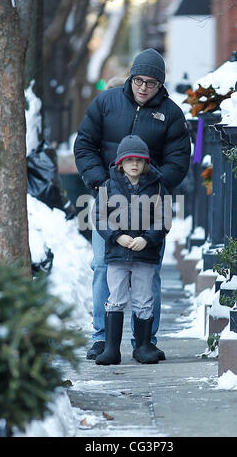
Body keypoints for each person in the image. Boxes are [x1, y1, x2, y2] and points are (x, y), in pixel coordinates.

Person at [74, 48, 191, 360]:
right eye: (138, 80)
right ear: (131, 78)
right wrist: (101, 181)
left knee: (147, 272)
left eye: (151, 83)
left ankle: (145, 342)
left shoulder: (171, 114)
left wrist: (155, 185)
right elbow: (84, 143)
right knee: (103, 267)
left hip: (150, 207)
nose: (143, 87)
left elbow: (179, 161)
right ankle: (103, 340)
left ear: (160, 85)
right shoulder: (105, 102)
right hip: (108, 202)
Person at [93, 135, 170, 365]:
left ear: (146, 163)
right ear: (120, 163)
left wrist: (148, 239)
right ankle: (111, 349)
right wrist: (117, 237)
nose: (134, 164)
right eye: (129, 160)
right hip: (117, 255)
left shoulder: (156, 187)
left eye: (139, 160)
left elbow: (163, 218)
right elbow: (99, 217)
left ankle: (143, 346)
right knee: (115, 297)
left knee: (143, 298)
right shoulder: (108, 186)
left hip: (144, 255)